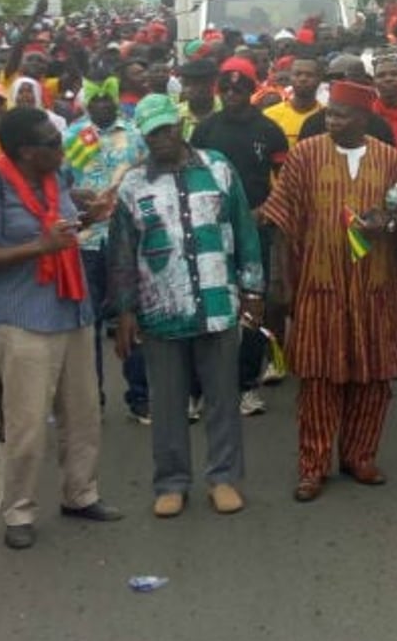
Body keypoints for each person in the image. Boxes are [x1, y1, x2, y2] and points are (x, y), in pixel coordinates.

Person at [108, 94, 264, 518]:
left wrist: (253, 291)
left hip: (217, 302)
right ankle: (171, 482)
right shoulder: (133, 185)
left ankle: (224, 478)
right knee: (168, 400)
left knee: (222, 397)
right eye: (152, 133)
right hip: (161, 309)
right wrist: (124, 310)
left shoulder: (218, 168)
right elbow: (122, 253)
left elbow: (244, 230)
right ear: (144, 136)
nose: (162, 138)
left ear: (179, 124)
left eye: (166, 128)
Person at [262, 81, 397, 502]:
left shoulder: (390, 160)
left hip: (375, 288)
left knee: (373, 377)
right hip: (318, 284)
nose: (332, 120)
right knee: (318, 379)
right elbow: (279, 220)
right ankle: (313, 465)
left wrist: (389, 225)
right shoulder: (305, 154)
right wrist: (282, 283)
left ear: (364, 118)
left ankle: (360, 456)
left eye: (342, 114)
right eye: (330, 113)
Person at [0, 107, 123, 549]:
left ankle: (80, 493)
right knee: (27, 425)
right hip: (24, 319)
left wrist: (91, 218)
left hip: (73, 309)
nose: (61, 148)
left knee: (83, 414)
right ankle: (19, 510)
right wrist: (38, 247)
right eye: (51, 143)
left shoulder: (58, 177)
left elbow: (65, 227)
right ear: (26, 152)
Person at [190, 57, 289, 417]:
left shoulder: (270, 131)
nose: (232, 94)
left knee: (252, 308)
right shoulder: (204, 131)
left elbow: (287, 179)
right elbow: (190, 178)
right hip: (211, 232)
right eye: (226, 88)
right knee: (208, 305)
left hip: (255, 233)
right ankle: (197, 390)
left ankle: (247, 386)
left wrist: (264, 212)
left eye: (240, 88)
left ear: (252, 90)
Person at [62, 75, 149, 419]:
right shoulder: (71, 137)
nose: (101, 104)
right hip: (86, 241)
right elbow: (58, 185)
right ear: (87, 102)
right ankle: (91, 400)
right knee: (88, 325)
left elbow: (147, 179)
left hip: (127, 240)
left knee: (134, 318)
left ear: (115, 101)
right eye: (94, 98)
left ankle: (140, 397)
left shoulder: (135, 136)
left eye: (106, 99)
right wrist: (74, 198)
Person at [265, 58, 323, 146]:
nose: (303, 79)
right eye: (297, 74)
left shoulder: (326, 117)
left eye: (309, 75)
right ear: (290, 78)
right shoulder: (270, 116)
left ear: (319, 79)